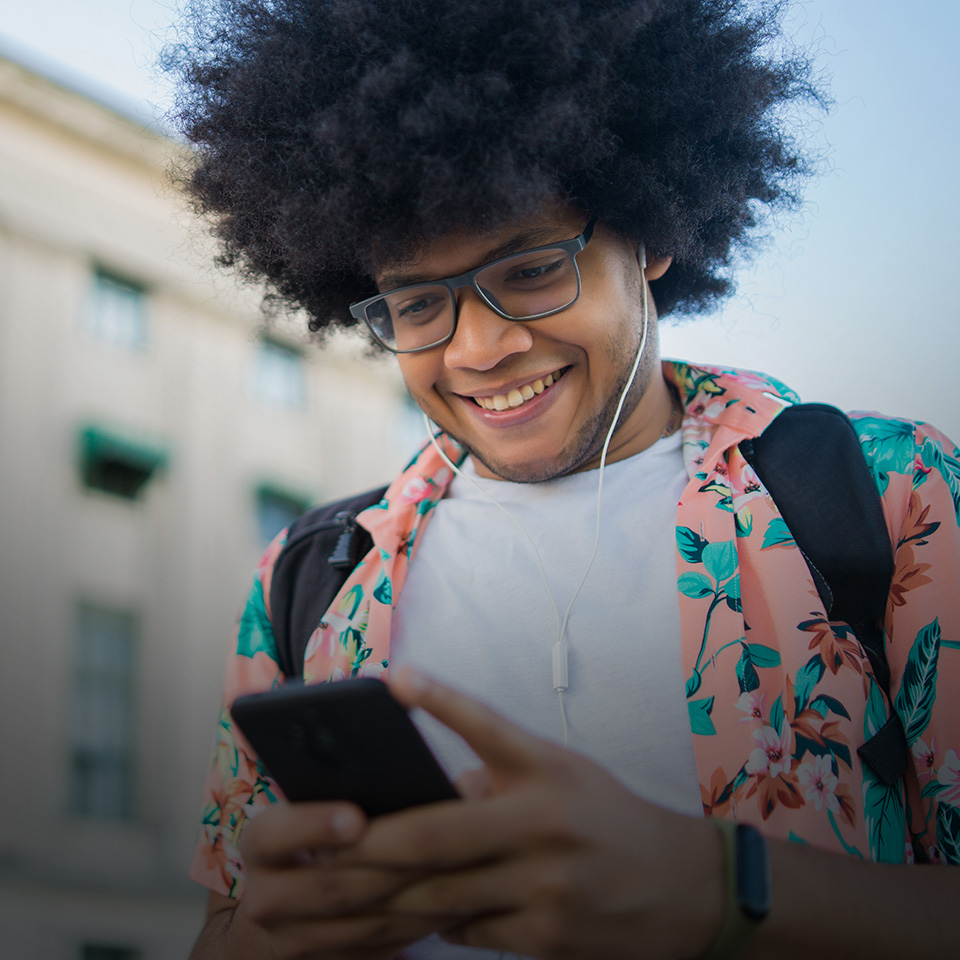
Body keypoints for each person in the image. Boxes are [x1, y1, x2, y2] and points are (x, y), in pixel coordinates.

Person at [171, 1, 960, 957]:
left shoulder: (891, 496)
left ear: (651, 235)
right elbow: (223, 925)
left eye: (535, 269)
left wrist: (724, 892)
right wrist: (270, 934)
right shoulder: (310, 579)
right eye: (420, 304)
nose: (481, 347)